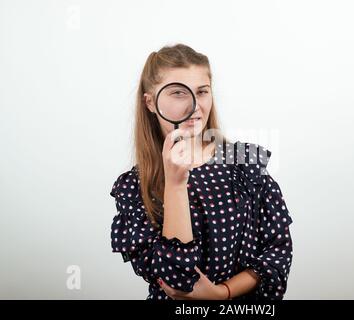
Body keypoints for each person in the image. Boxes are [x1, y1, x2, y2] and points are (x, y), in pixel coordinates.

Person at [109, 43, 293, 300]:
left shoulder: (243, 162)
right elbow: (177, 280)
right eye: (178, 93)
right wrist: (174, 184)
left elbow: (277, 252)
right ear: (150, 103)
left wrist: (222, 293)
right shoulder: (135, 186)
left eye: (202, 92)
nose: (194, 106)